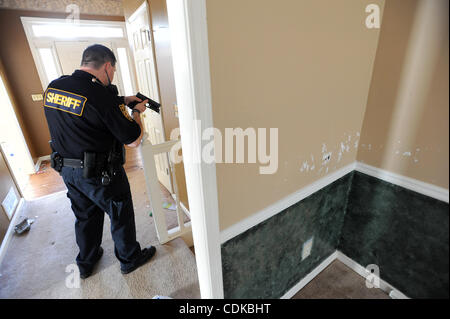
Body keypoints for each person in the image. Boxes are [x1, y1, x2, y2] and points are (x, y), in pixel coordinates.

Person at [43, 44, 156, 279]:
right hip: (101, 173)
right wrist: (136, 111)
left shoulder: (55, 87)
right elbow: (133, 139)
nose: (112, 75)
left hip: (68, 171)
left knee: (85, 215)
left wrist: (123, 99)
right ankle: (129, 258)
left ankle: (86, 261)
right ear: (106, 66)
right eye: (113, 70)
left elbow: (86, 107)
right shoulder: (99, 96)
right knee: (119, 212)